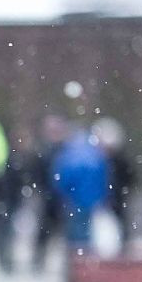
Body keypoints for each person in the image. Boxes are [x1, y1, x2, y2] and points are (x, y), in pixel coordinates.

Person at [50, 128, 111, 249]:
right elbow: (105, 180)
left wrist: (63, 196)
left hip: (72, 201)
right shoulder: (96, 156)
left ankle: (75, 260)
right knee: (85, 232)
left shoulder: (68, 156)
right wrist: (102, 198)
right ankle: (84, 259)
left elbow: (61, 179)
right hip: (91, 201)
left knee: (73, 233)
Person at [30, 115, 69, 272]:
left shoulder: (64, 150)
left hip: (61, 199)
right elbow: (37, 174)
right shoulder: (44, 152)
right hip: (48, 199)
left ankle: (66, 264)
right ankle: (39, 261)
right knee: (43, 234)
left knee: (64, 234)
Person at [93, 117, 136, 254]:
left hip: (115, 202)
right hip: (101, 203)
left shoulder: (119, 162)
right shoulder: (97, 162)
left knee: (118, 231)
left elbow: (128, 179)